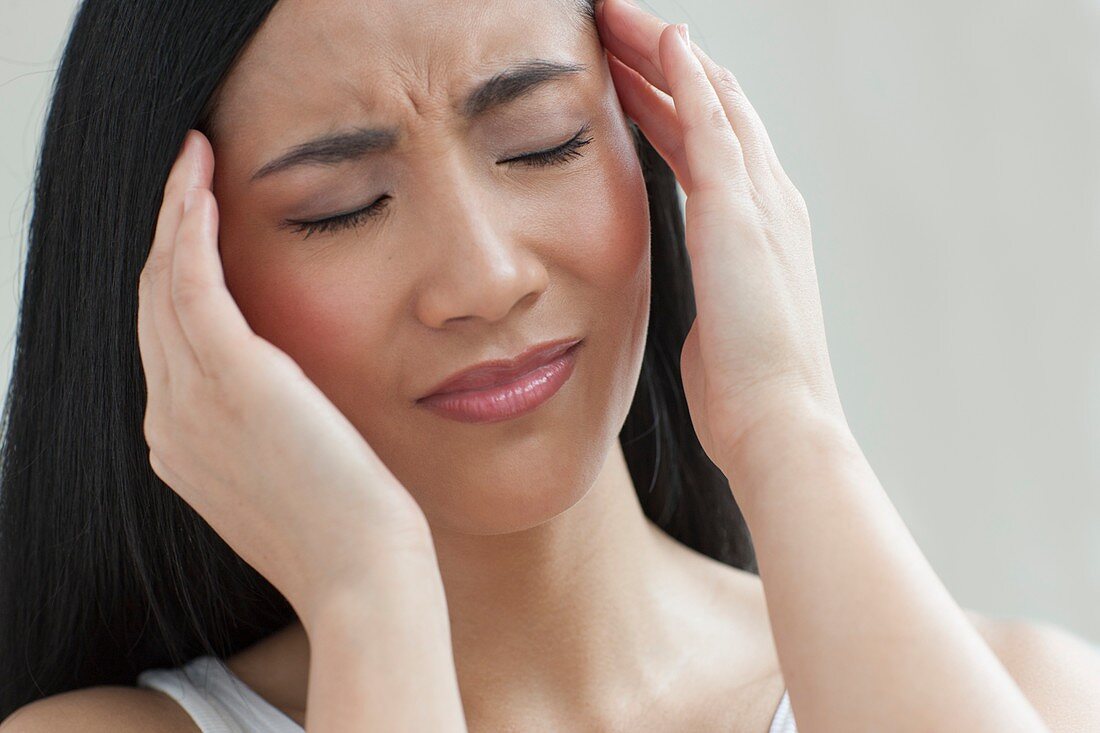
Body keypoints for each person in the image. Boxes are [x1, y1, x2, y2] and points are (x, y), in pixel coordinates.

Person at [2, 0, 1098, 730]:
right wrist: (367, 598)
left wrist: (785, 425)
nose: (483, 276)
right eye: (342, 208)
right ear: (174, 275)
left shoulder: (1023, 693)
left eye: (542, 142)